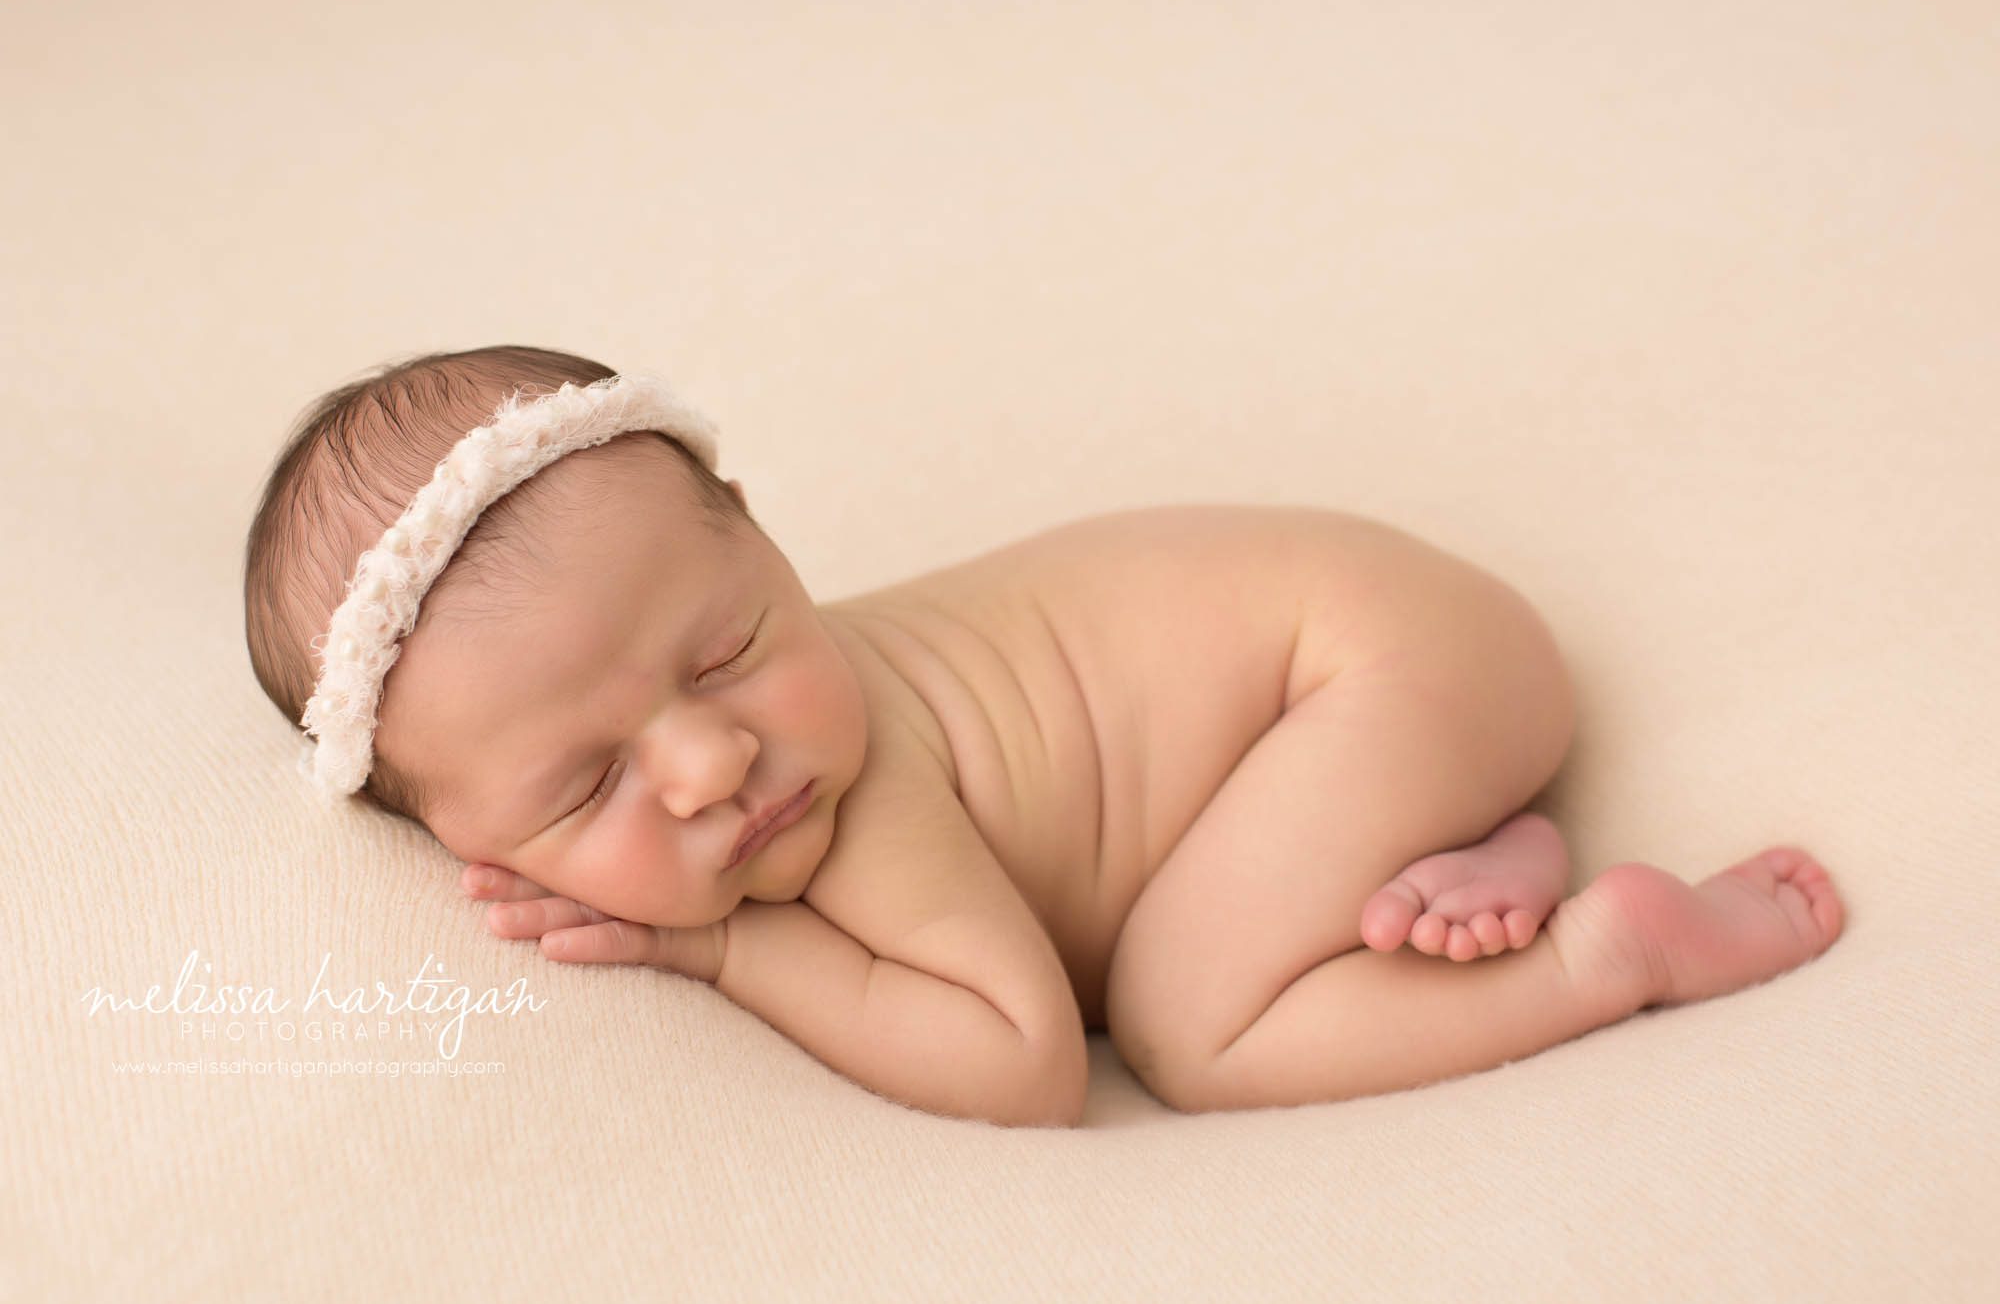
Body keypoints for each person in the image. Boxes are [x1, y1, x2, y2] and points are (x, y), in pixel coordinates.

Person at [242, 343, 1845, 1126]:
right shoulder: (742, 758)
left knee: (1185, 1022)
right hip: (1356, 711)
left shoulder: (862, 796)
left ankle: (1605, 952)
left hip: (1371, 668)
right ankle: (1451, 854)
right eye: (589, 784)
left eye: (729, 650)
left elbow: (1020, 1063)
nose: (711, 764)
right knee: (1216, 918)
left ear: (761, 535)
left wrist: (728, 957)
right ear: (458, 842)